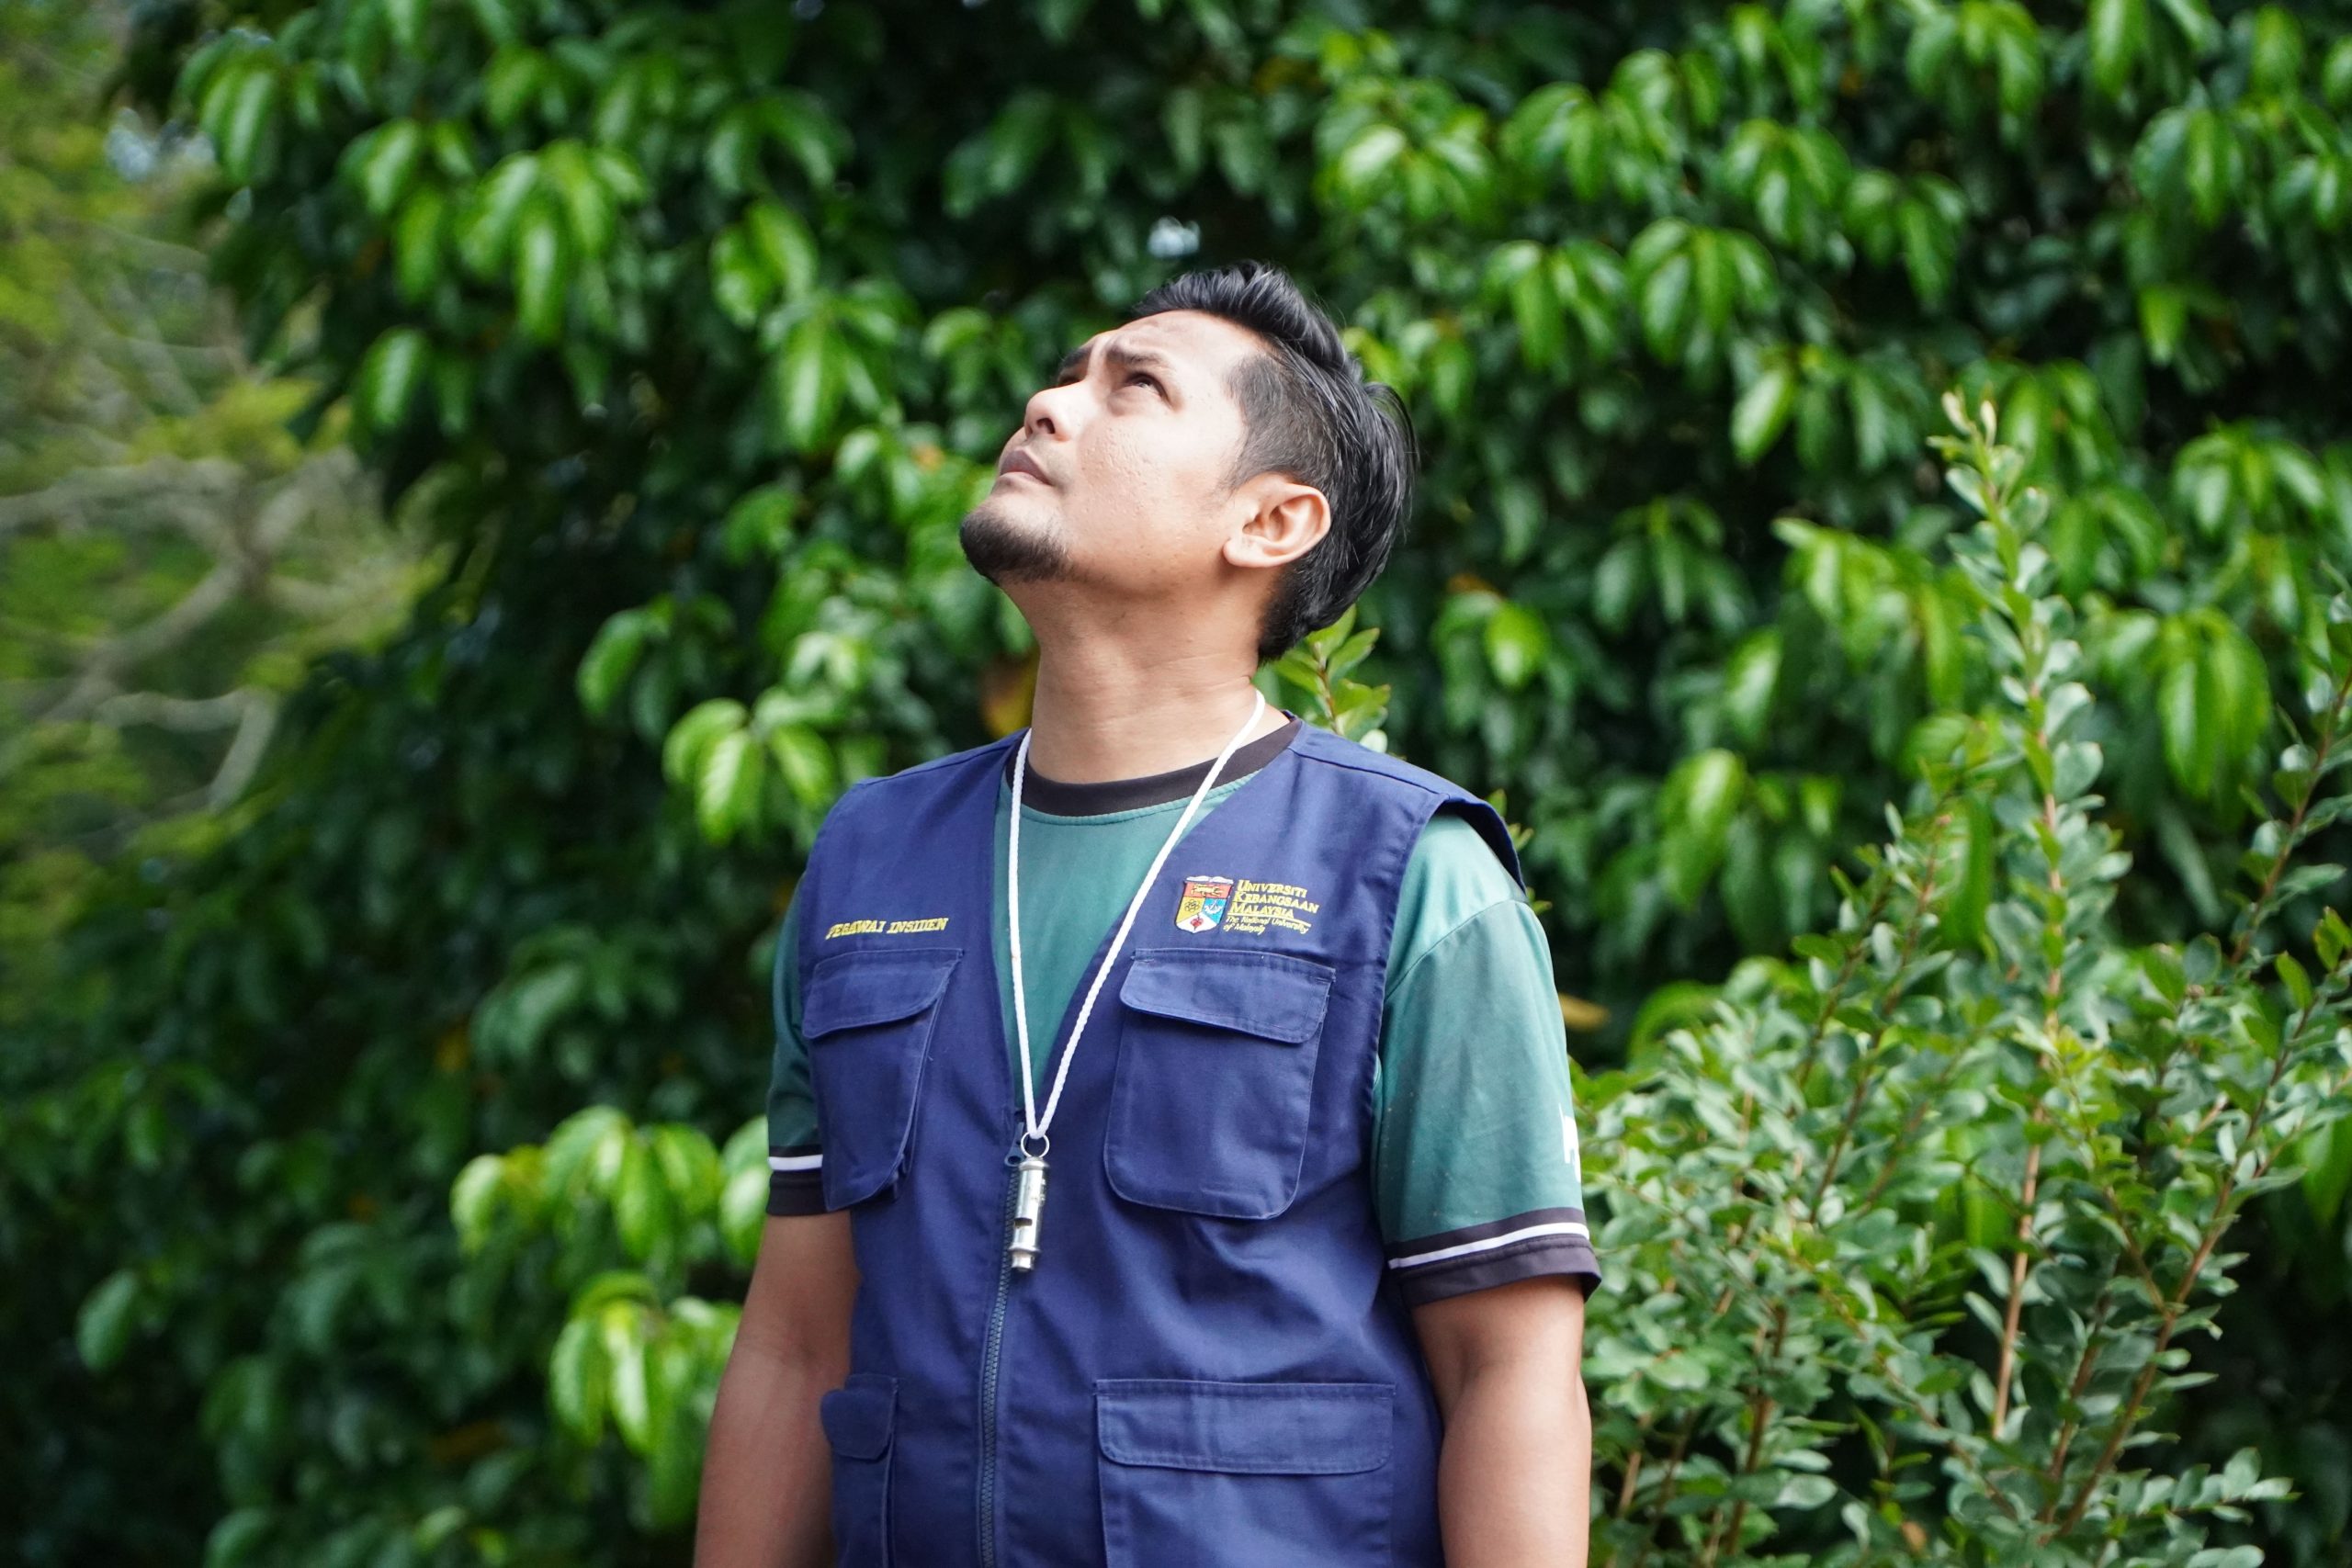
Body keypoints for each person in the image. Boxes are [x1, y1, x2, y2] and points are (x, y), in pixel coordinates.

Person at [695, 260, 1600, 1567]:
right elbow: (795, 1341)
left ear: (1271, 522)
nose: (1049, 406)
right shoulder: (871, 860)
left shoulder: (1410, 877)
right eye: (1067, 374)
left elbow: (1509, 1369)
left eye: (1137, 389)